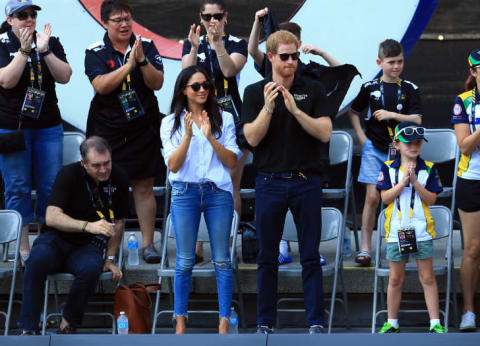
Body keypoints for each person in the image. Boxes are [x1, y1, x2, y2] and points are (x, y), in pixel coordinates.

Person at [242, 30, 332, 334]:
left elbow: (325, 132)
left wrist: (294, 109)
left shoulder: (313, 89)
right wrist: (270, 107)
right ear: (270, 57)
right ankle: (265, 322)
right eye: (285, 56)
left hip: (306, 181)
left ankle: (316, 322)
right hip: (269, 181)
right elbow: (251, 138)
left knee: (310, 254)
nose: (291, 62)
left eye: (295, 56)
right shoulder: (255, 92)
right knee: (266, 256)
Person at [18, 136, 128, 335]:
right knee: (36, 261)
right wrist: (88, 226)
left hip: (88, 246)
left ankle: (67, 324)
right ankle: (28, 328)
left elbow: (118, 223)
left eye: (107, 163)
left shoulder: (118, 177)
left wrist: (110, 258)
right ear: (83, 163)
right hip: (56, 240)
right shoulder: (68, 174)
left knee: (91, 269)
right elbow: (51, 217)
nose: (104, 170)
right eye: (97, 165)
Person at [160, 65, 240, 334]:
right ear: (184, 90)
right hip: (185, 191)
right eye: (196, 86)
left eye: (206, 85)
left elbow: (231, 162)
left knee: (222, 259)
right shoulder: (170, 122)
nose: (203, 90)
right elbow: (173, 165)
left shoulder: (225, 118)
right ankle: (180, 320)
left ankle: (224, 321)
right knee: (184, 260)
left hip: (218, 192)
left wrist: (209, 136)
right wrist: (189, 137)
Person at [84, 0, 164, 264]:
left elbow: (157, 83)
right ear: (105, 23)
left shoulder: (146, 46)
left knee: (144, 187)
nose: (124, 24)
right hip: (109, 130)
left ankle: (148, 245)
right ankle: (110, 249)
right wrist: (127, 67)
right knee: (109, 190)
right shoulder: (95, 51)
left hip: (141, 128)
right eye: (117, 20)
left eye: (127, 18)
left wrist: (140, 62)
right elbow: (102, 86)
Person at [0, 0, 72, 265]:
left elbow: (65, 76)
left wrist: (44, 52)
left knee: (50, 186)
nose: (29, 19)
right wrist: (23, 50)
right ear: (10, 21)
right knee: (17, 187)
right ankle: (22, 246)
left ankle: (47, 242)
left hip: (48, 126)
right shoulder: (1, 43)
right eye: (22, 16)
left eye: (32, 15)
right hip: (12, 127)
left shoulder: (50, 42)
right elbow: (6, 80)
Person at [182, 0, 248, 263]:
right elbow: (186, 74)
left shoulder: (236, 43)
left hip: (230, 118)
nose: (212, 20)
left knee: (231, 184)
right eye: (207, 16)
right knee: (199, 181)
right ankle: (197, 247)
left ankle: (228, 245)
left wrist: (217, 42)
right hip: (198, 118)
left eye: (217, 16)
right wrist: (196, 47)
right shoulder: (193, 41)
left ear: (225, 17)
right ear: (200, 16)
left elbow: (229, 70)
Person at [349, 39, 422, 266]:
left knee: (403, 196)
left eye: (400, 61)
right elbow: (353, 112)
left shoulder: (410, 88)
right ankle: (366, 249)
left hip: (402, 150)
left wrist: (393, 115)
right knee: (372, 197)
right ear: (380, 62)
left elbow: (417, 119)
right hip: (374, 148)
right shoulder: (370, 87)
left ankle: (404, 244)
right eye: (391, 62)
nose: (396, 66)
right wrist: (362, 138)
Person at [376, 122, 444, 334]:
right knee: (396, 278)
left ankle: (435, 323)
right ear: (396, 144)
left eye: (417, 143)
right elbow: (385, 198)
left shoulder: (429, 168)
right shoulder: (387, 168)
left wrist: (415, 182)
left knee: (427, 277)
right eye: (408, 143)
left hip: (421, 231)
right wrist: (402, 183)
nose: (414, 147)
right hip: (397, 232)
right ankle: (392, 322)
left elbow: (432, 199)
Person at [451, 49, 480, 332]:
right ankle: (468, 310)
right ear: (474, 72)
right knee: (472, 249)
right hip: (472, 179)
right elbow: (465, 146)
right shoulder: (464, 102)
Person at [248, 8, 340, 78]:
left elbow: (343, 72)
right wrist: (257, 23)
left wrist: (322, 53)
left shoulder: (307, 71)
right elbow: (253, 51)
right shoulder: (271, 63)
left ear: (298, 44)